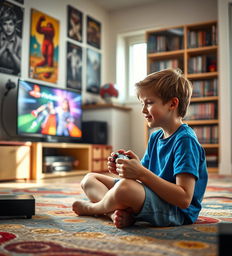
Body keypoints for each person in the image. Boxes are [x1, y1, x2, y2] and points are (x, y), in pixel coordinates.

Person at [72, 69, 208, 229]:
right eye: (142, 103)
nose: (143, 110)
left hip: (175, 211)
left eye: (149, 103)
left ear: (172, 104)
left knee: (124, 188)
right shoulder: (156, 137)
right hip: (152, 196)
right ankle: (112, 213)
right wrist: (128, 169)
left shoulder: (185, 140)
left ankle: (94, 208)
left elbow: (184, 198)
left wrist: (141, 173)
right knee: (90, 179)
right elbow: (141, 179)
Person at [0, 7, 22, 75]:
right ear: (1, 25)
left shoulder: (20, 42)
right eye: (5, 24)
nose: (8, 28)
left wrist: (12, 53)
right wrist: (3, 48)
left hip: (12, 75)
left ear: (15, 25)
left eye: (11, 24)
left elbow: (21, 68)